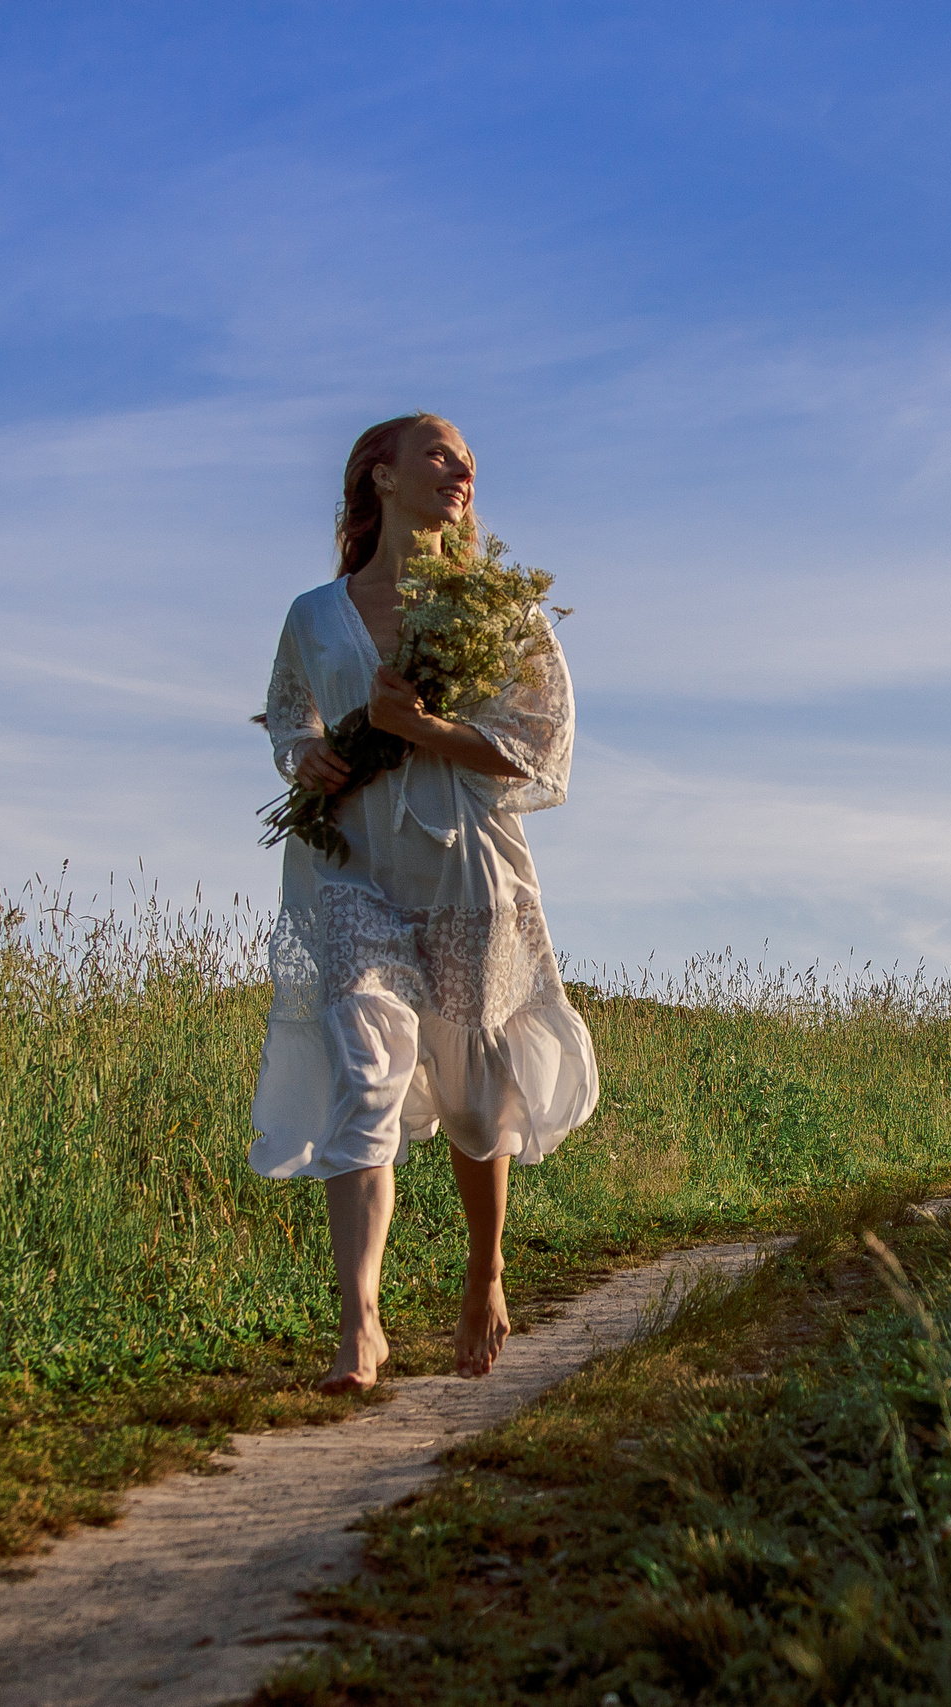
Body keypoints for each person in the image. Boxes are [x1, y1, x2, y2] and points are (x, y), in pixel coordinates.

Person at [250, 413, 598, 1393]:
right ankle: (358, 1324)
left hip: (464, 870)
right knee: (363, 1068)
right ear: (379, 473)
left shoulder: (496, 615)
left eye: (468, 461)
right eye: (440, 452)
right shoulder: (314, 615)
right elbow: (288, 714)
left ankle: (483, 1273)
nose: (461, 468)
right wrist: (307, 756)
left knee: (478, 1095)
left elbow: (538, 750)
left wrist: (420, 726)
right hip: (348, 867)